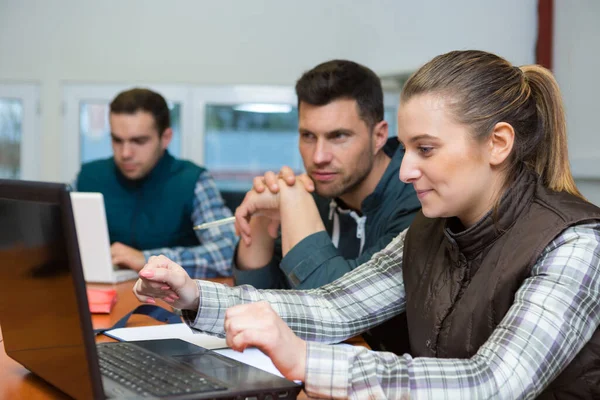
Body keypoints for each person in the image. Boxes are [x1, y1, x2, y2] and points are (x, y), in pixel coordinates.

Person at [133, 50, 600, 398]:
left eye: (426, 149)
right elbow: (334, 307)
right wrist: (194, 295)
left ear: (498, 144)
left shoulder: (576, 245)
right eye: (407, 148)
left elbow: (493, 384)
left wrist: (308, 360)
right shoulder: (430, 230)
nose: (404, 170)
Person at [233, 60, 420, 353]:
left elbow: (335, 309)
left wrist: (294, 202)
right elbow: (259, 299)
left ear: (379, 135)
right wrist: (259, 220)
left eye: (338, 136)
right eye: (308, 136)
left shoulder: (418, 195)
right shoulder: (319, 190)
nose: (318, 157)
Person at [73, 88, 236, 278]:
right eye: (117, 140)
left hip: (171, 301)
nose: (125, 153)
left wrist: (147, 259)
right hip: (102, 297)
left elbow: (227, 252)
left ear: (165, 138)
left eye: (139, 141)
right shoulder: (88, 177)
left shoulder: (193, 181)